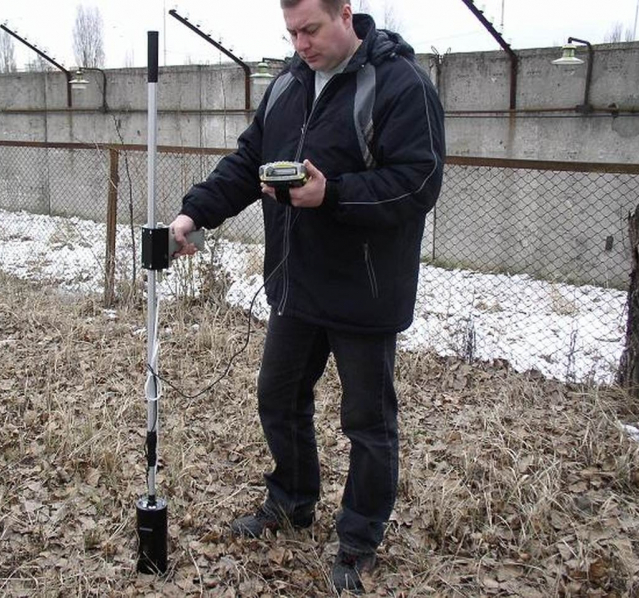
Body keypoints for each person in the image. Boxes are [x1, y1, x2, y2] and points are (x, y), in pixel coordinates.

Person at [169, 0, 444, 593]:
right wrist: (194, 215)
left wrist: (334, 195)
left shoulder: (400, 84)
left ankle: (359, 538)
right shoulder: (287, 85)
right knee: (278, 395)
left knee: (367, 422)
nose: (300, 44)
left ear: (346, 13)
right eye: (291, 32)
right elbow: (247, 163)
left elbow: (418, 181)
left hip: (365, 292)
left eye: (310, 29)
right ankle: (292, 501)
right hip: (297, 284)